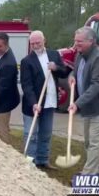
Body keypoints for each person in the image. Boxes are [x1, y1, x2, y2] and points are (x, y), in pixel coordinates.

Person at [68, 27, 99, 175]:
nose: (76, 44)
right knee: (89, 142)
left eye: (79, 41)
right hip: (88, 106)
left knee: (95, 143)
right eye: (75, 41)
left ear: (91, 41)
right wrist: (72, 75)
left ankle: (87, 176)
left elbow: (97, 84)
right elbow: (76, 69)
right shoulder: (80, 54)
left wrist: (77, 104)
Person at [20, 30, 69, 170]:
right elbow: (26, 85)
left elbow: (64, 72)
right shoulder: (26, 61)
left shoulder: (54, 55)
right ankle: (30, 162)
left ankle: (43, 159)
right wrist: (34, 103)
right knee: (31, 134)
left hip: (50, 101)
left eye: (38, 42)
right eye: (33, 43)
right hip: (33, 104)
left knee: (46, 133)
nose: (35, 45)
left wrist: (56, 67)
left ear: (44, 41)